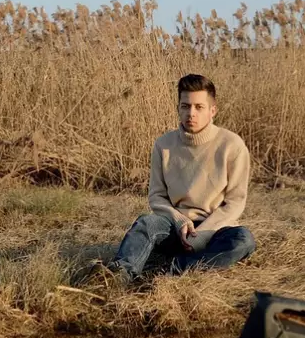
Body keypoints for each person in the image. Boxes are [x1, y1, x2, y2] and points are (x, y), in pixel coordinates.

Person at [98, 73, 256, 288]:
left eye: (199, 107)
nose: (191, 113)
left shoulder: (232, 145)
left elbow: (235, 202)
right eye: (185, 106)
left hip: (215, 229)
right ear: (178, 108)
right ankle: (119, 275)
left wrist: (202, 234)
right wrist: (179, 220)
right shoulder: (163, 145)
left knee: (243, 240)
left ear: (213, 110)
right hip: (174, 227)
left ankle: (174, 270)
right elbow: (157, 197)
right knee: (146, 223)